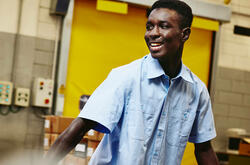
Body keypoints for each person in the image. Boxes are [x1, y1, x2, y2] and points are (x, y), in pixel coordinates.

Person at [46, 0, 219, 164]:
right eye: (149, 26)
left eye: (164, 26)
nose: (153, 33)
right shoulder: (125, 77)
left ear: (185, 34)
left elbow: (204, 149)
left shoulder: (196, 90)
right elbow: (80, 127)